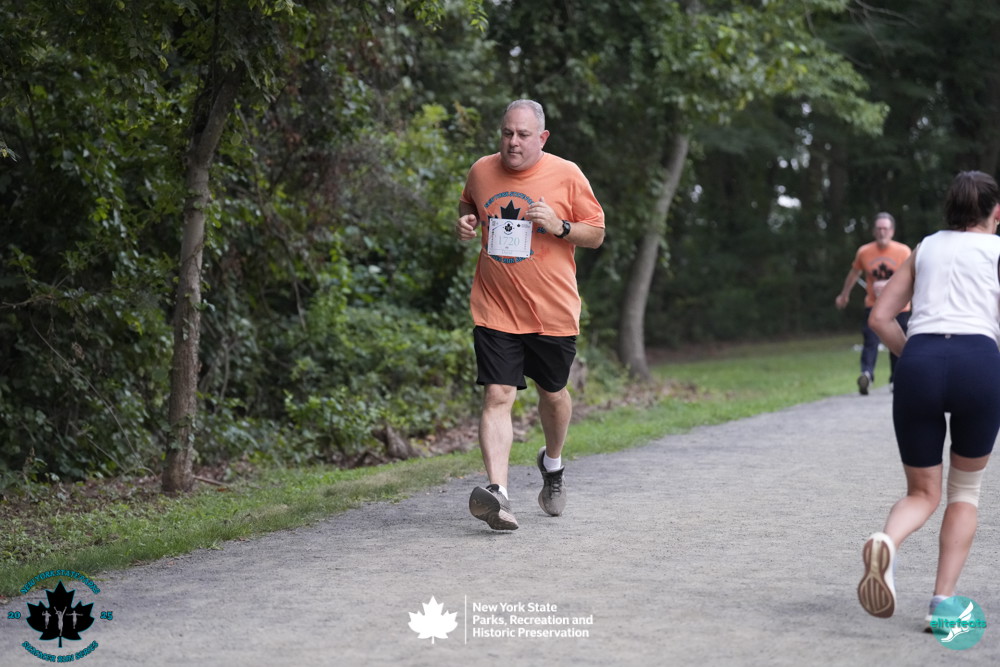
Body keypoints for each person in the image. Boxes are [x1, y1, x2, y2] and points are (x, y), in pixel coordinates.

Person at [454, 99, 605, 531]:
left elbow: (596, 233)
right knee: (497, 394)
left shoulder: (567, 174)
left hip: (552, 311)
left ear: (542, 137)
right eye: (507, 133)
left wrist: (560, 226)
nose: (513, 142)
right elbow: (468, 205)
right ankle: (498, 495)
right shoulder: (482, 170)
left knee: (552, 393)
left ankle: (552, 465)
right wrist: (466, 222)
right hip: (495, 307)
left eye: (522, 135)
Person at [858, 171, 1000, 627]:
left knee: (922, 492)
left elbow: (880, 318)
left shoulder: (924, 248)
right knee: (965, 492)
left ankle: (887, 542)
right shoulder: (997, 251)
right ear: (996, 213)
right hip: (979, 363)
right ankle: (942, 604)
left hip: (919, 361)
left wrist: (918, 359)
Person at [835, 213, 912, 394]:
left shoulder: (903, 251)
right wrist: (844, 294)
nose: (882, 232)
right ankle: (867, 375)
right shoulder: (864, 252)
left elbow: (911, 277)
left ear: (892, 231)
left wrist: (888, 285)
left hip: (899, 306)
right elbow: (854, 274)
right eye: (878, 228)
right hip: (873, 305)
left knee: (897, 342)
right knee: (870, 340)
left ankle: (896, 379)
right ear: (873, 231)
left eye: (885, 228)